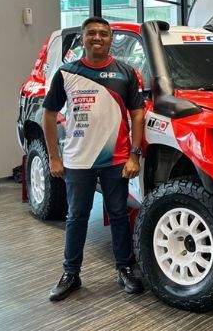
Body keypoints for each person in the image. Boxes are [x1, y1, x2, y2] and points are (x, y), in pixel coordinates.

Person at [43, 16, 145, 301]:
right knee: (76, 217)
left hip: (116, 159)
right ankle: (70, 274)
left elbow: (137, 114)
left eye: (103, 33)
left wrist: (134, 155)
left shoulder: (126, 72)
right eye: (91, 33)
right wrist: (54, 157)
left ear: (111, 39)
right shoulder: (66, 73)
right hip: (78, 160)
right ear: (83, 38)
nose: (97, 38)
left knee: (118, 215)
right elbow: (49, 114)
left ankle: (125, 268)